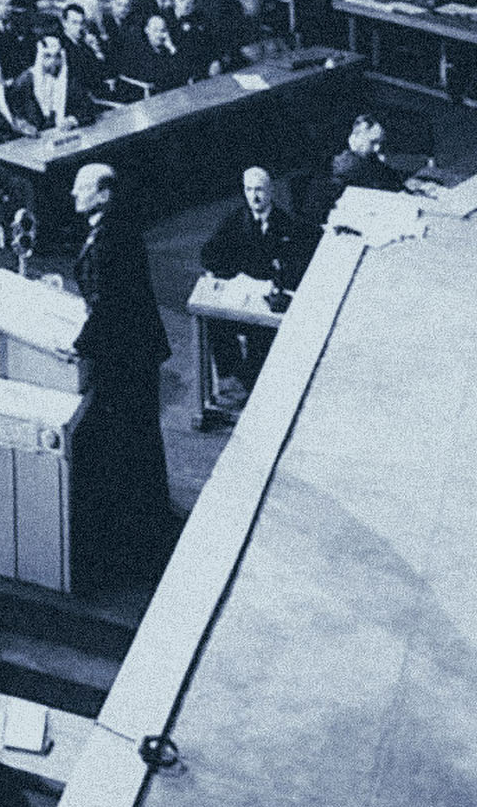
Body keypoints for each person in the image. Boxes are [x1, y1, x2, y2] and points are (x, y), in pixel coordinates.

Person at [71, 162, 180, 570]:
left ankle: (135, 539)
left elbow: (110, 305)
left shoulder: (109, 237)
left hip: (124, 356)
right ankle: (147, 522)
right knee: (140, 436)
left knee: (126, 440)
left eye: (82, 188)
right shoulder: (117, 225)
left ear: (103, 194)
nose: (73, 194)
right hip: (137, 349)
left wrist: (76, 347)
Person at [196, 167, 322, 410]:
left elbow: (298, 265)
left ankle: (248, 382)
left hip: (269, 302)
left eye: (259, 190)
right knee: (216, 322)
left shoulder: (287, 225)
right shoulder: (235, 221)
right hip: (242, 295)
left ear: (271, 191)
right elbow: (210, 253)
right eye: (249, 190)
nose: (254, 196)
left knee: (263, 333)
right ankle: (230, 377)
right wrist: (226, 275)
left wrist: (278, 282)